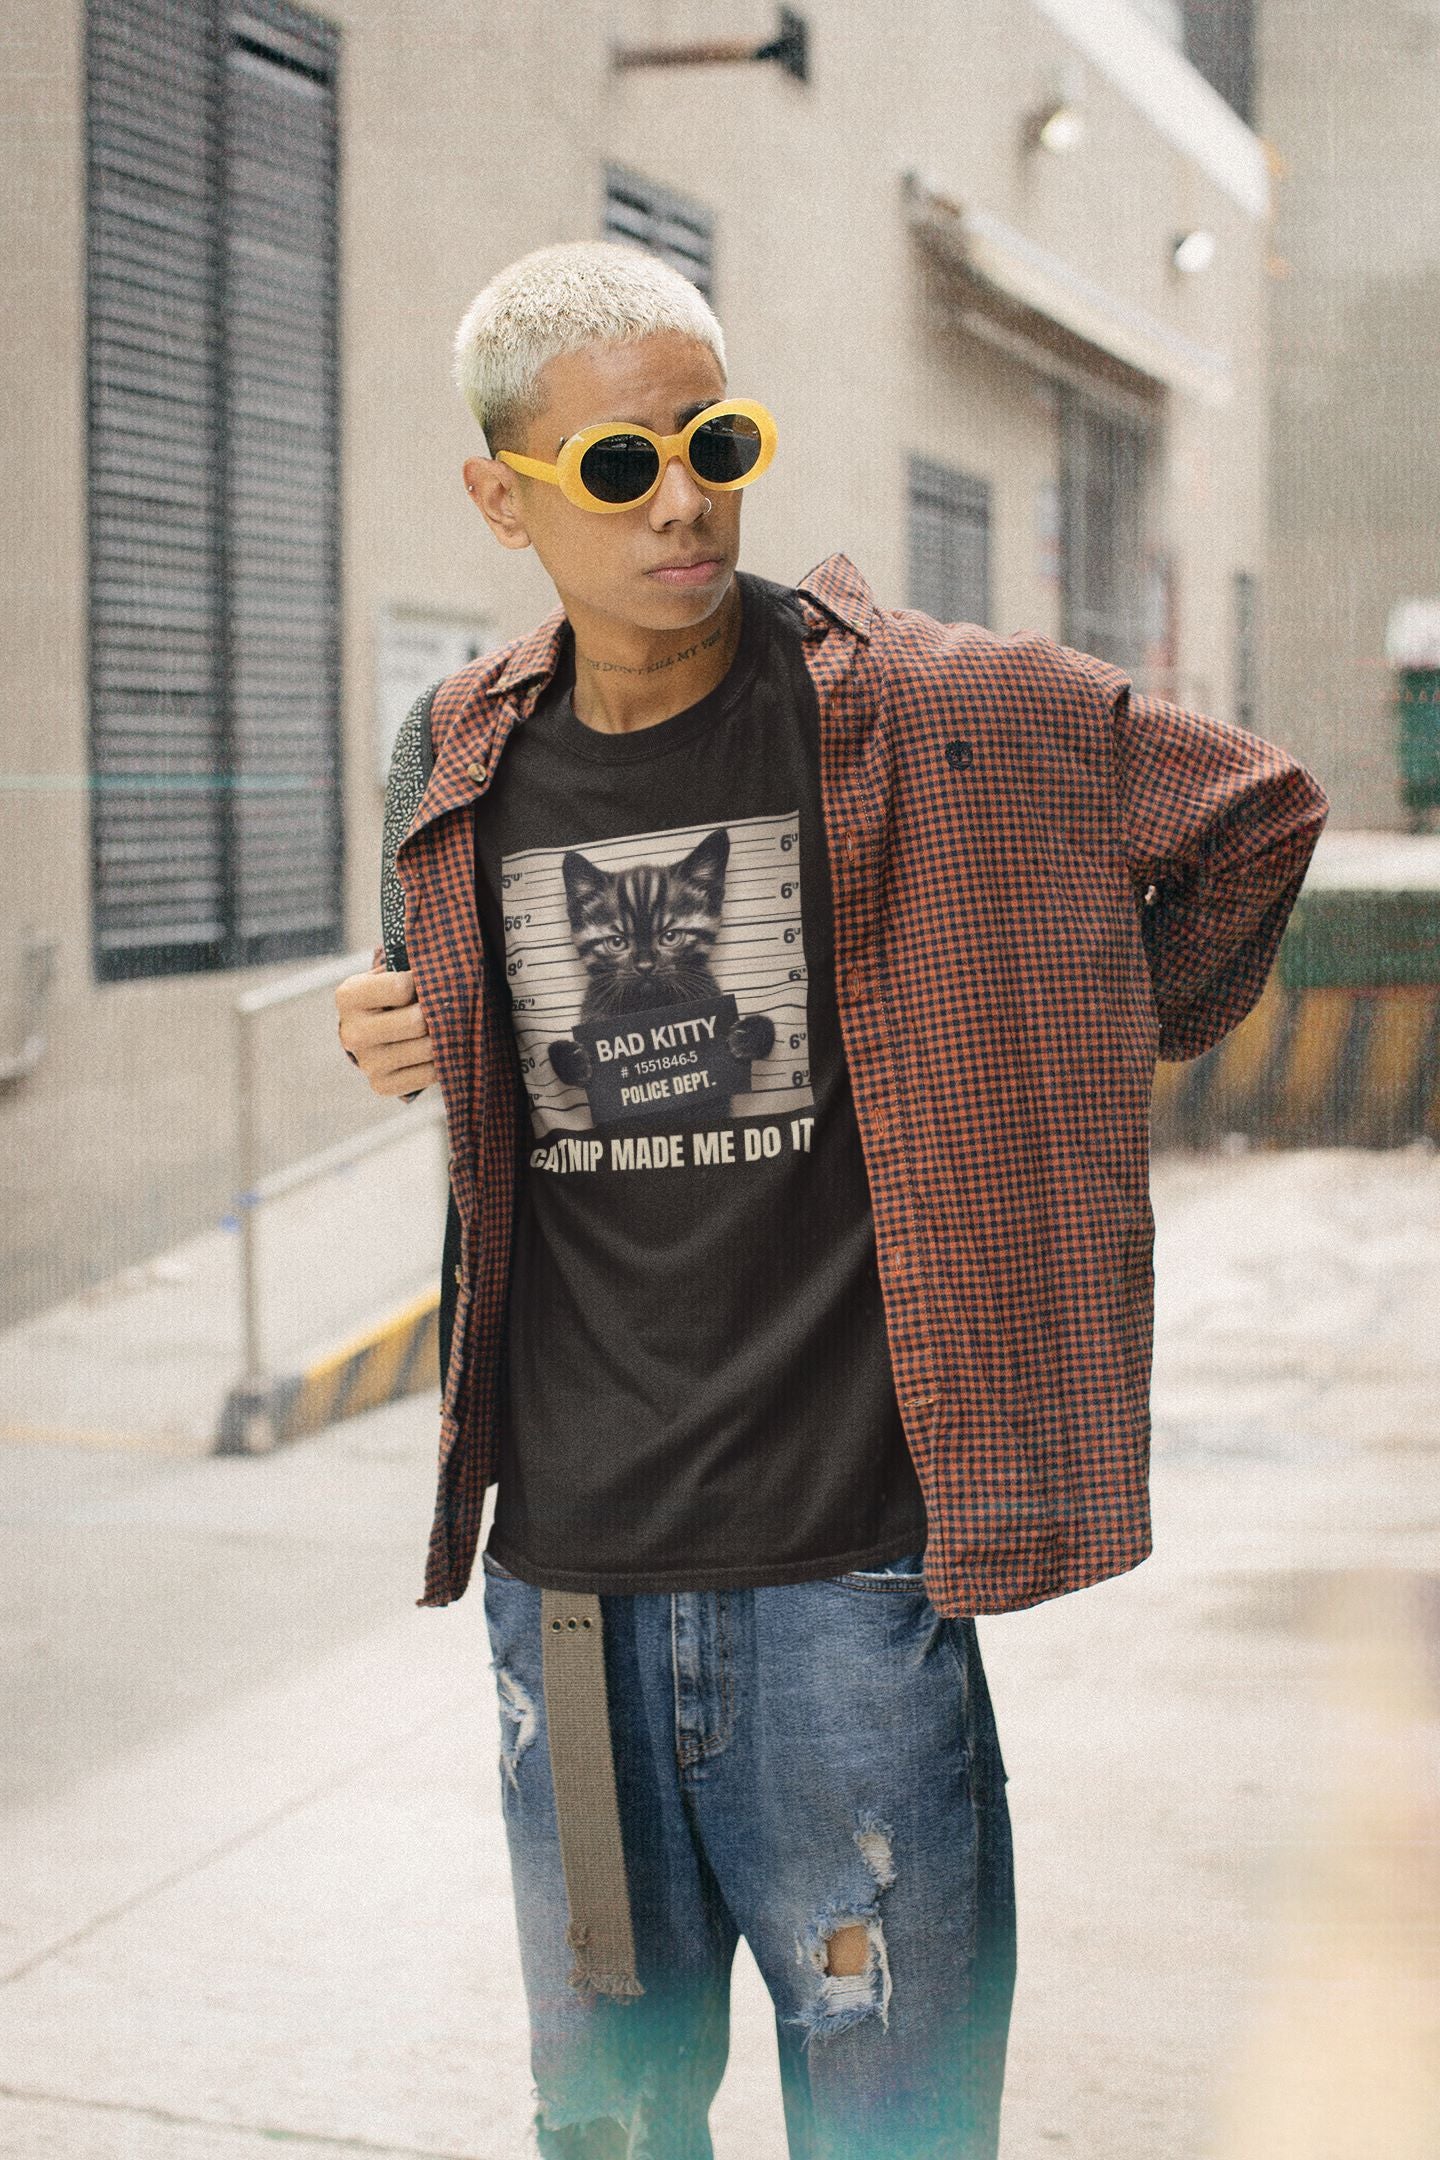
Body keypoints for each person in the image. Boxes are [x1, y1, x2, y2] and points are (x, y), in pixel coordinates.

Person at [335, 239, 1329, 2159]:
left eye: (717, 438)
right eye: (620, 465)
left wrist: (1074, 1050)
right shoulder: (450, 751)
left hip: (848, 1572)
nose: (687, 495)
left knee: (895, 2117)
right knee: (611, 2114)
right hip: (570, 1574)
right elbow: (454, 1024)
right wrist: (401, 1029)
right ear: (504, 497)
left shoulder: (936, 716)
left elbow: (1253, 816)